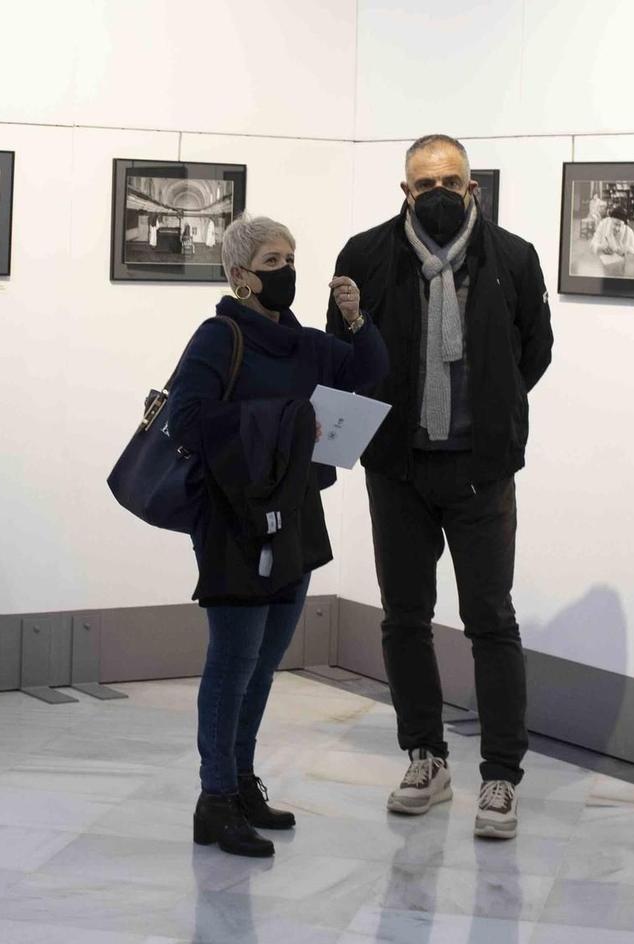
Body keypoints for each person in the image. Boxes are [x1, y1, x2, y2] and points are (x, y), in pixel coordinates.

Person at [328, 134, 552, 840]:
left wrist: (488, 409)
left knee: (491, 620)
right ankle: (425, 755)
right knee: (404, 618)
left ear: (473, 186)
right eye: (425, 184)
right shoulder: (365, 255)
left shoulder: (511, 258)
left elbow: (533, 351)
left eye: (451, 180)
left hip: (480, 469)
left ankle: (501, 777)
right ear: (405, 191)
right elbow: (343, 352)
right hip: (398, 466)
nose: (439, 193)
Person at [167, 215, 388, 857]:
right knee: (232, 663)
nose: (286, 271)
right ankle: (213, 801)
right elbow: (188, 419)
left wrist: (356, 319)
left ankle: (240, 784)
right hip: (234, 520)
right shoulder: (219, 337)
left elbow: (368, 376)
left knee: (264, 666)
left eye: (290, 258)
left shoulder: (300, 339)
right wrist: (288, 421)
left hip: (295, 515)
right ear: (240, 276)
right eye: (272, 261)